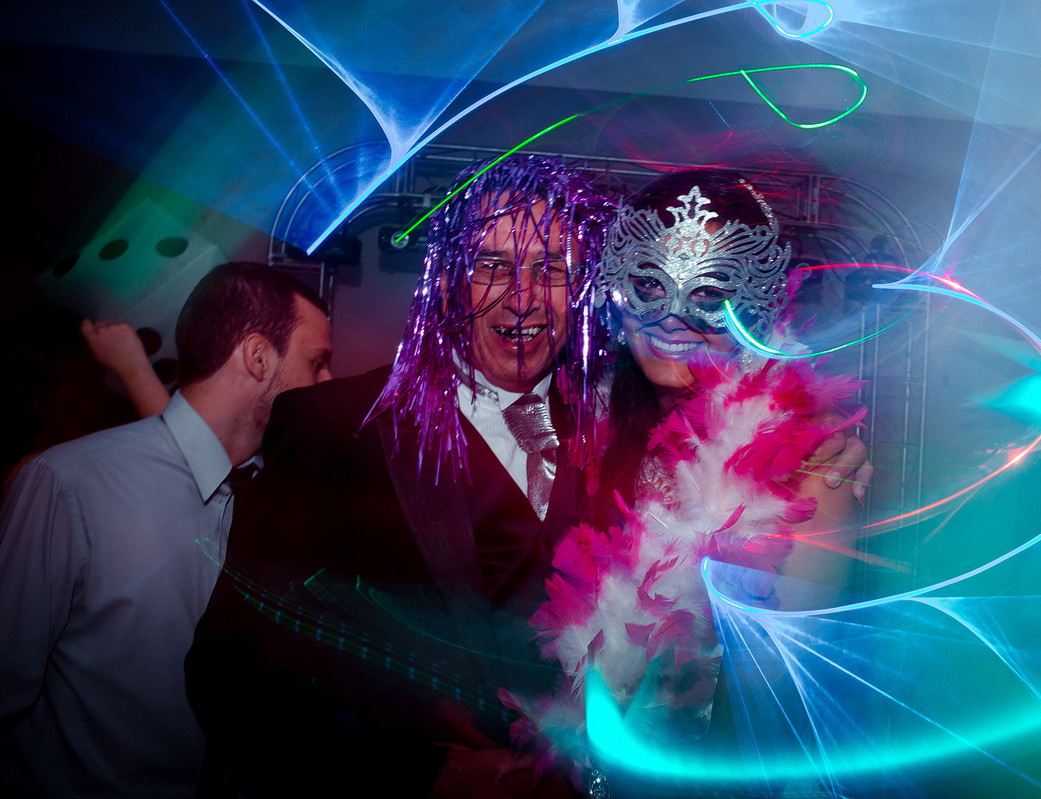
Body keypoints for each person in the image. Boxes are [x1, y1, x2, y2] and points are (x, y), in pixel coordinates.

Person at [185, 155, 615, 798]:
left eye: (551, 269)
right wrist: (422, 776)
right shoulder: (338, 428)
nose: (522, 297)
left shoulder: (613, 434)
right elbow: (234, 670)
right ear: (446, 281)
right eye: (493, 265)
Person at [510, 170, 869, 794]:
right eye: (649, 283)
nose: (673, 317)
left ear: (758, 305)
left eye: (711, 291)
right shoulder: (593, 430)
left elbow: (772, 710)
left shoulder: (816, 471)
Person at [0, 262, 333, 798]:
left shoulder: (272, 497)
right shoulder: (70, 484)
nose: (328, 382)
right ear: (257, 356)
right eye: (316, 362)